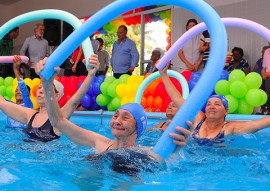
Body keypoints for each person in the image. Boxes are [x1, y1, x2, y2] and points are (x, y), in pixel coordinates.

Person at [37, 59, 190, 159]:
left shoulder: (145, 154)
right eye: (116, 115)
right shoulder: (99, 142)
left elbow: (165, 165)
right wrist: (47, 82)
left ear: (138, 128)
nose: (117, 120)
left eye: (125, 117)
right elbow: (58, 121)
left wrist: (176, 151)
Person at [159, 64, 270, 146]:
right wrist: (163, 74)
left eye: (217, 104)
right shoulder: (198, 118)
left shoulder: (230, 128)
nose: (212, 106)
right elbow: (177, 98)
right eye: (208, 104)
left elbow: (259, 124)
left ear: (226, 111)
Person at [0, 54, 100, 142]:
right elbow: (2, 103)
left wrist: (91, 74)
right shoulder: (30, 115)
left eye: (46, 87)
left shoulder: (60, 117)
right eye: (39, 87)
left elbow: (76, 99)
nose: (41, 90)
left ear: (56, 95)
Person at [6, 55, 33, 128]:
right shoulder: (10, 105)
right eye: (16, 90)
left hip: (22, 135)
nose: (18, 92)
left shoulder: (28, 105)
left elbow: (24, 90)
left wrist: (16, 69)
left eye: (20, 90)